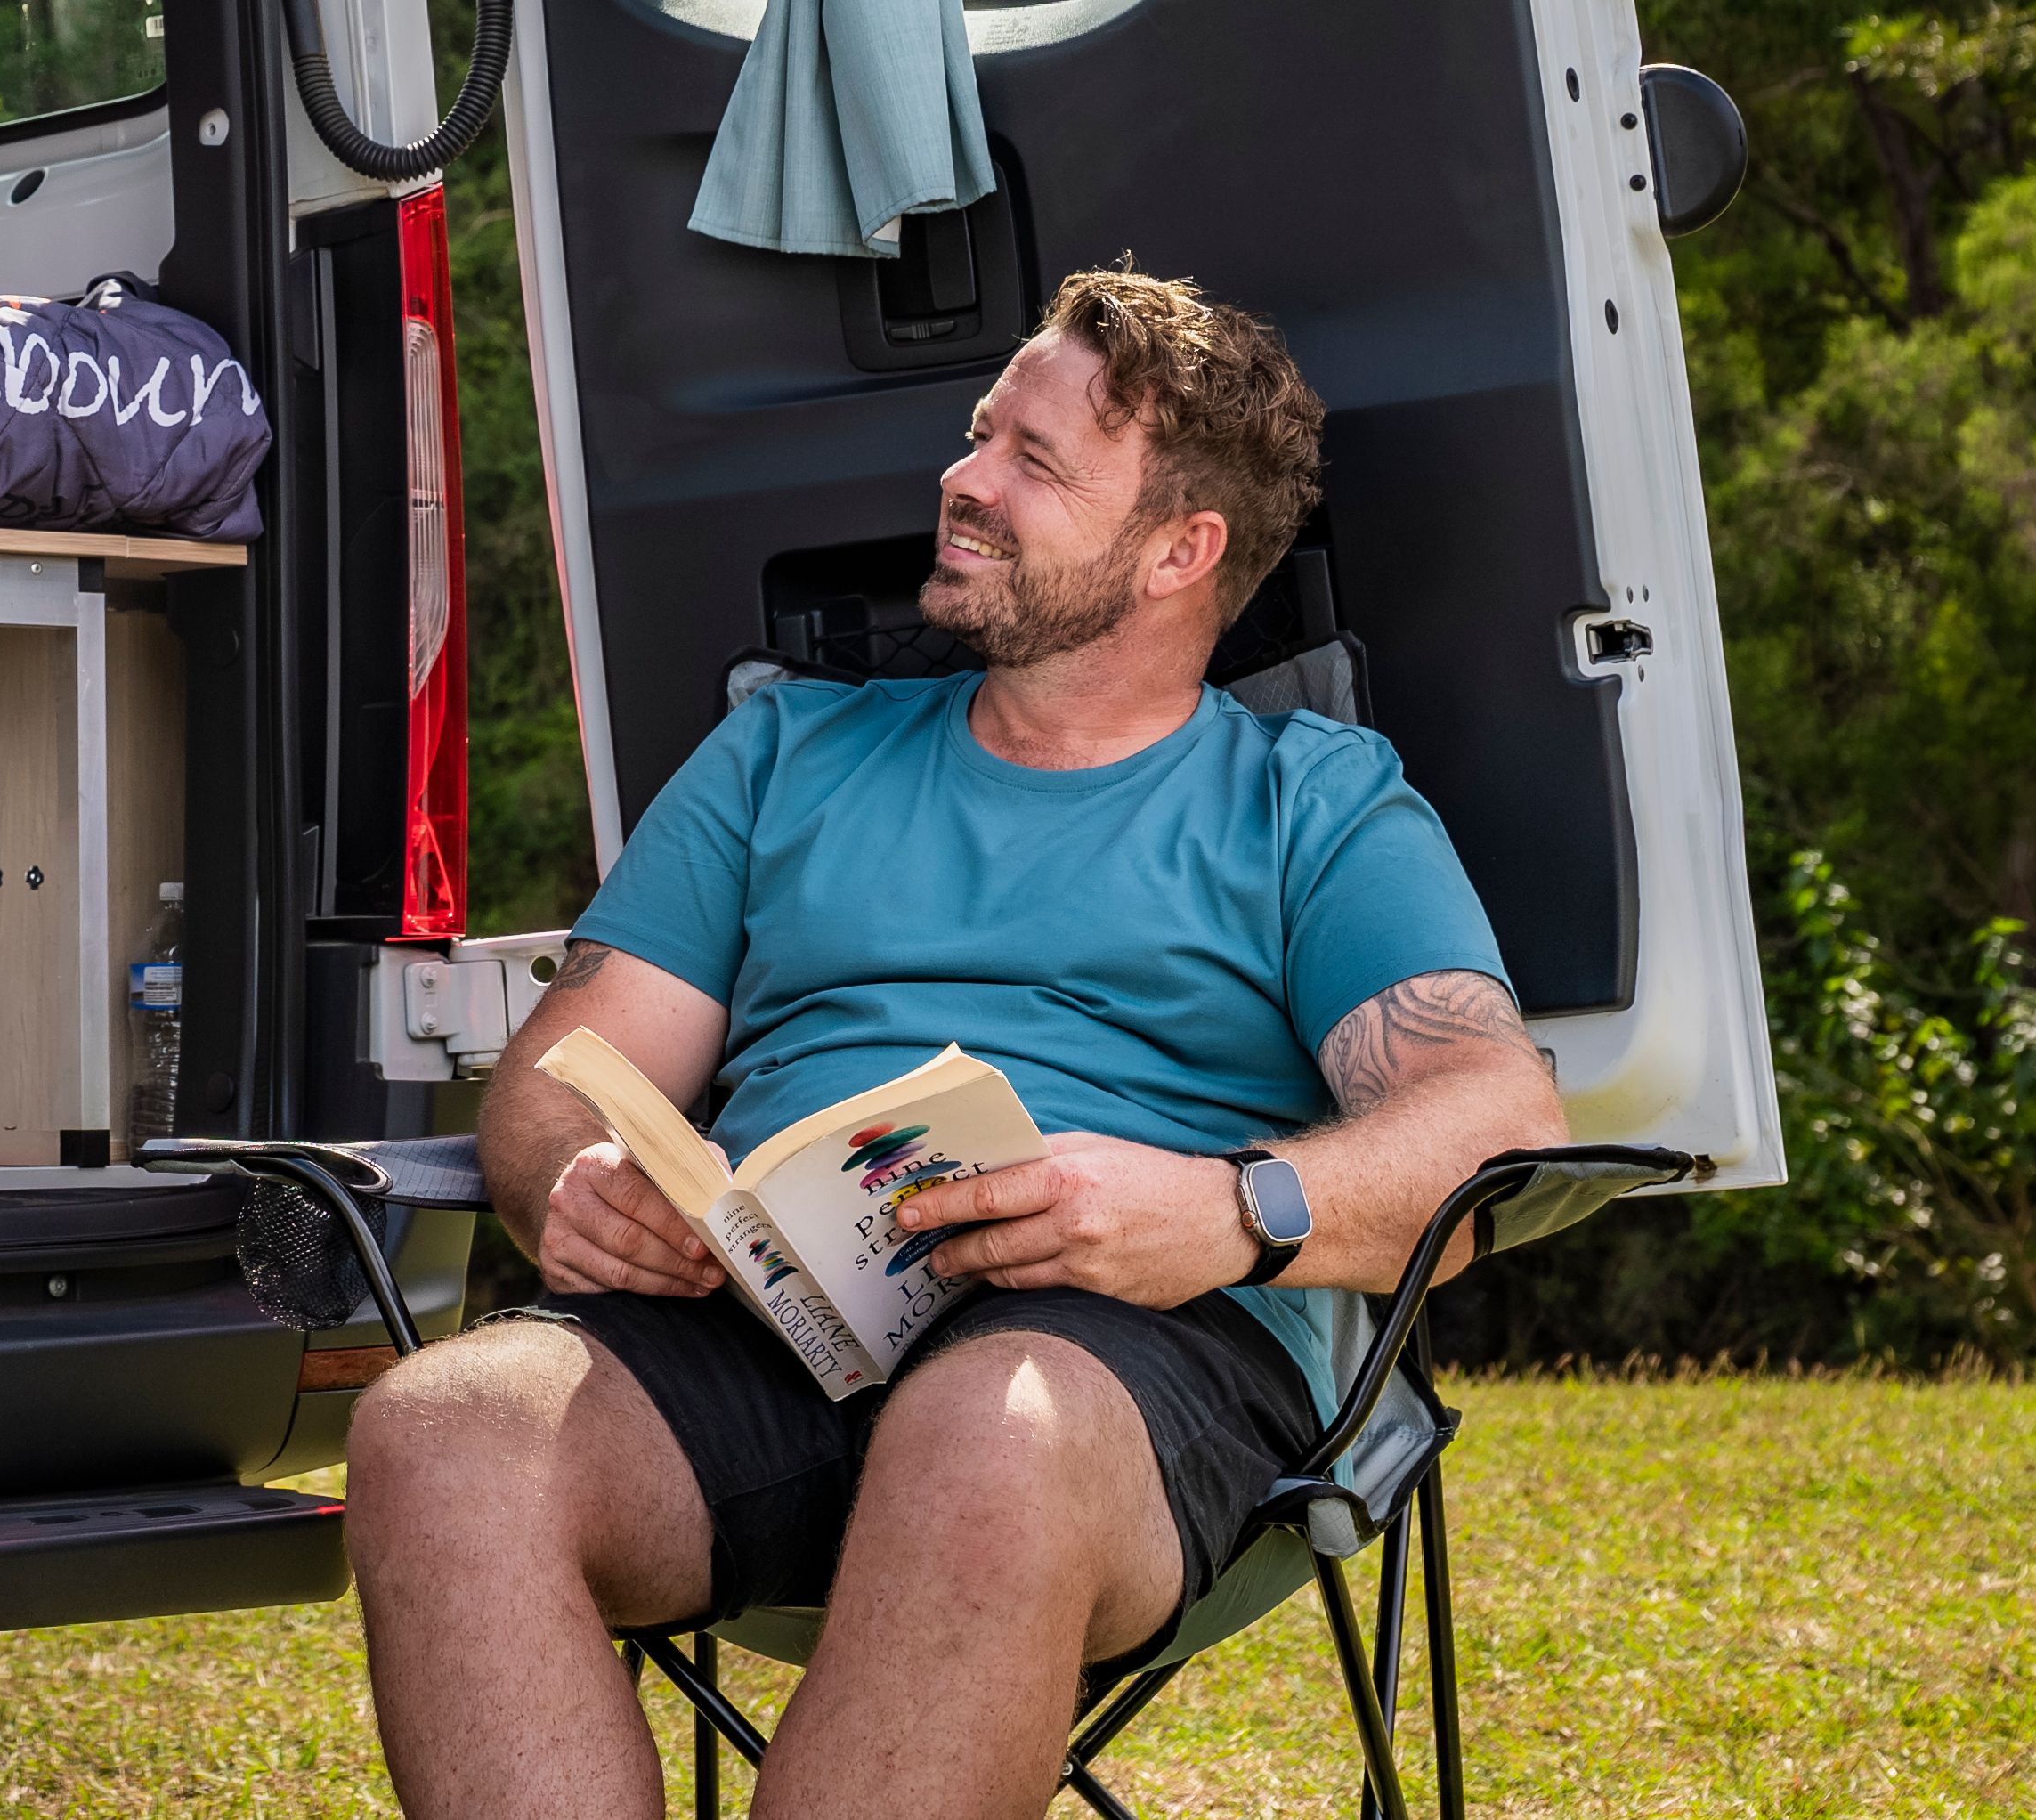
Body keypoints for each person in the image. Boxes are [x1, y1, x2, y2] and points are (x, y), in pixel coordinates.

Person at [345, 266, 1566, 1820]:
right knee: (443, 1436)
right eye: (979, 432)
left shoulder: (1308, 800)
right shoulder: (785, 751)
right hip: (768, 1334)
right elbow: (567, 1064)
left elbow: (1498, 1119)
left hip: (1129, 1360)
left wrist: (1213, 1209)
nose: (961, 479)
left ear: (1179, 553)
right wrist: (571, 1180)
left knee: (985, 1435)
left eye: (1032, 462)